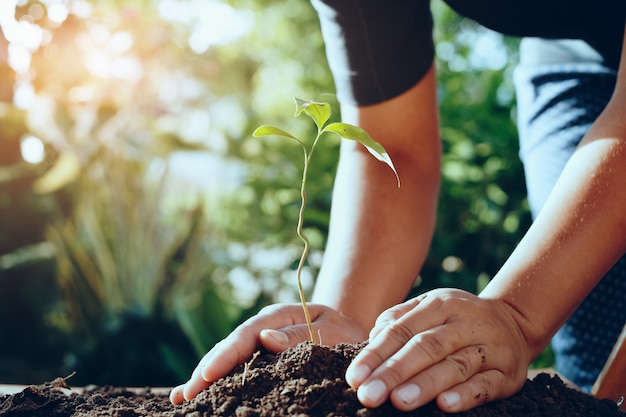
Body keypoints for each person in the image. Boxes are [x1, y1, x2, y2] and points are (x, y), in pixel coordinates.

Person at [171, 0, 626, 412]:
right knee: (596, 351)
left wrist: (516, 316)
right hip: (574, 51)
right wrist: (343, 332)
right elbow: (391, 146)